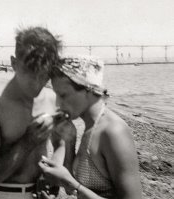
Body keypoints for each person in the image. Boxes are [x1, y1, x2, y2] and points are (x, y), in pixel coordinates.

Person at [0, 27, 76, 199]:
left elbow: (60, 145)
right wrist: (27, 142)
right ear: (13, 63)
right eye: (30, 73)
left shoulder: (52, 99)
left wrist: (50, 176)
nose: (36, 84)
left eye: (44, 75)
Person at [39, 55, 142, 199]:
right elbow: (72, 189)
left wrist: (70, 183)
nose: (58, 103)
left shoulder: (113, 131)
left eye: (63, 95)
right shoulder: (91, 127)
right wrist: (68, 141)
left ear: (88, 90)